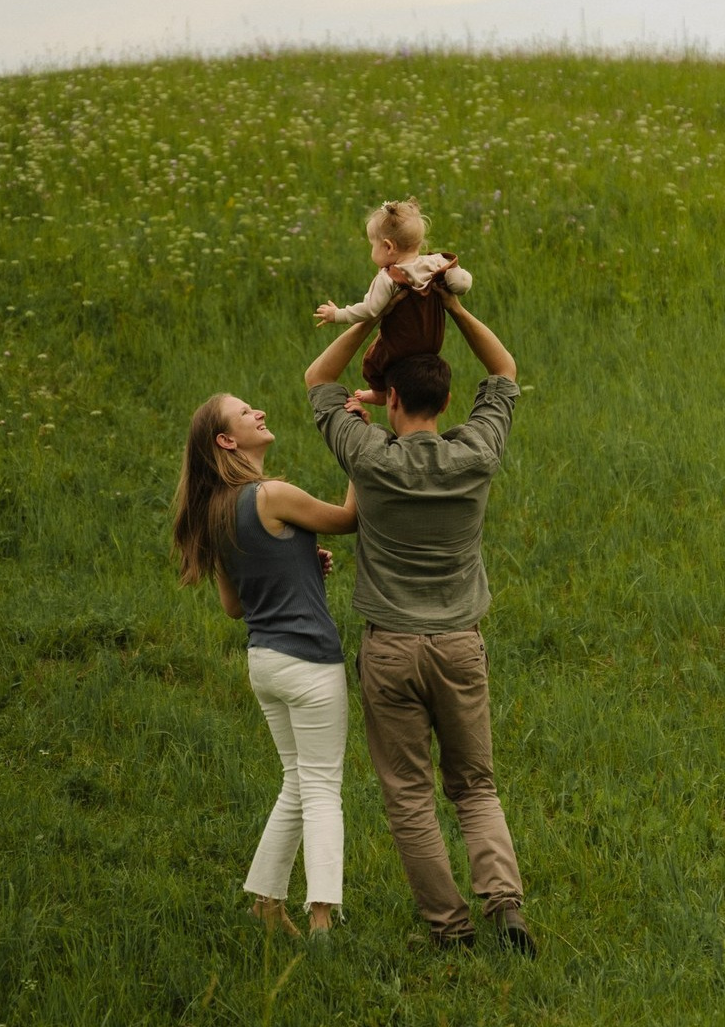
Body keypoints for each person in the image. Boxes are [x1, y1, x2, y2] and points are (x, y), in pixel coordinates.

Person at [303, 293, 536, 955]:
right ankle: (506, 907)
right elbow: (506, 369)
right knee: (475, 787)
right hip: (461, 648)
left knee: (409, 794)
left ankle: (450, 929)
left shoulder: (370, 459)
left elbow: (319, 381)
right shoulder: (477, 454)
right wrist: (453, 308)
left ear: (393, 401)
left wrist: (374, 311)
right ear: (445, 401)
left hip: (390, 652)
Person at [170, 393, 357, 942]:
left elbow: (235, 607)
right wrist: (357, 448)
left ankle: (265, 902)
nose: (259, 413)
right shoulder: (270, 494)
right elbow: (348, 519)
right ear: (227, 441)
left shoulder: (217, 510)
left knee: (295, 783)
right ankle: (322, 917)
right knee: (322, 787)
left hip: (265, 663)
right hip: (311, 663)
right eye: (245, 412)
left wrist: (297, 563)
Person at [314, 197, 472, 406]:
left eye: (372, 245)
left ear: (388, 247)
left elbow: (370, 310)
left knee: (372, 362)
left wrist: (337, 314)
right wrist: (454, 287)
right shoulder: (436, 263)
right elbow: (462, 282)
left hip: (401, 344)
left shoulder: (389, 278)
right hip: (432, 343)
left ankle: (380, 393)